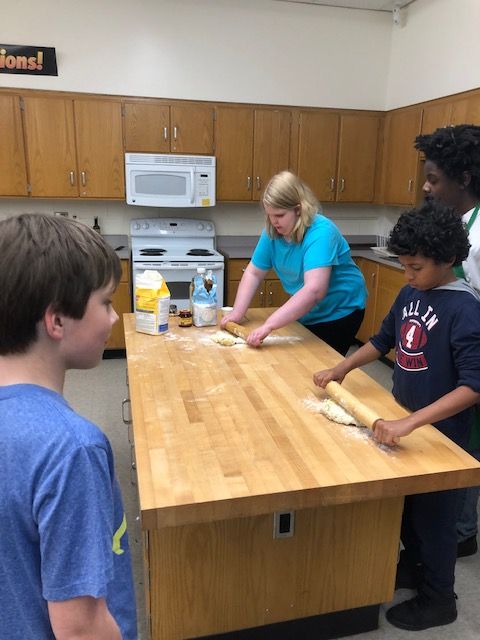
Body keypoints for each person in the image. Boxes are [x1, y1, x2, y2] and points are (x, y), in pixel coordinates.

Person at [313, 201, 480, 631]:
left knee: (436, 522)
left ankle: (440, 597)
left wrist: (410, 422)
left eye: (415, 267)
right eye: (403, 266)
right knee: (407, 512)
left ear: (448, 260)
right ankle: (413, 566)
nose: (407, 275)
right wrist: (342, 367)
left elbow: (473, 386)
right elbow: (383, 340)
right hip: (408, 423)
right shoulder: (412, 293)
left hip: (442, 436)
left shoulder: (465, 309)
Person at [0, 214, 137, 639]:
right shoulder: (73, 449)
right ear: (57, 320)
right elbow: (80, 628)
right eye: (107, 303)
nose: (114, 318)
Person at [415, 124, 480, 558]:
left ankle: (457, 535)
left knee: (466, 448)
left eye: (434, 178)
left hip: (473, 364)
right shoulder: (458, 226)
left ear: (465, 179)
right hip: (456, 356)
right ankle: (459, 527)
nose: (426, 186)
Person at [221, 170, 366, 355]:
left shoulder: (321, 233)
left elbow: (314, 290)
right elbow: (254, 272)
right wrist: (237, 312)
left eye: (280, 215)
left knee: (320, 367)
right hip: (309, 311)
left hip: (340, 310)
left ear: (298, 209)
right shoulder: (272, 232)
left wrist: (269, 325)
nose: (274, 221)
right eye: (269, 215)